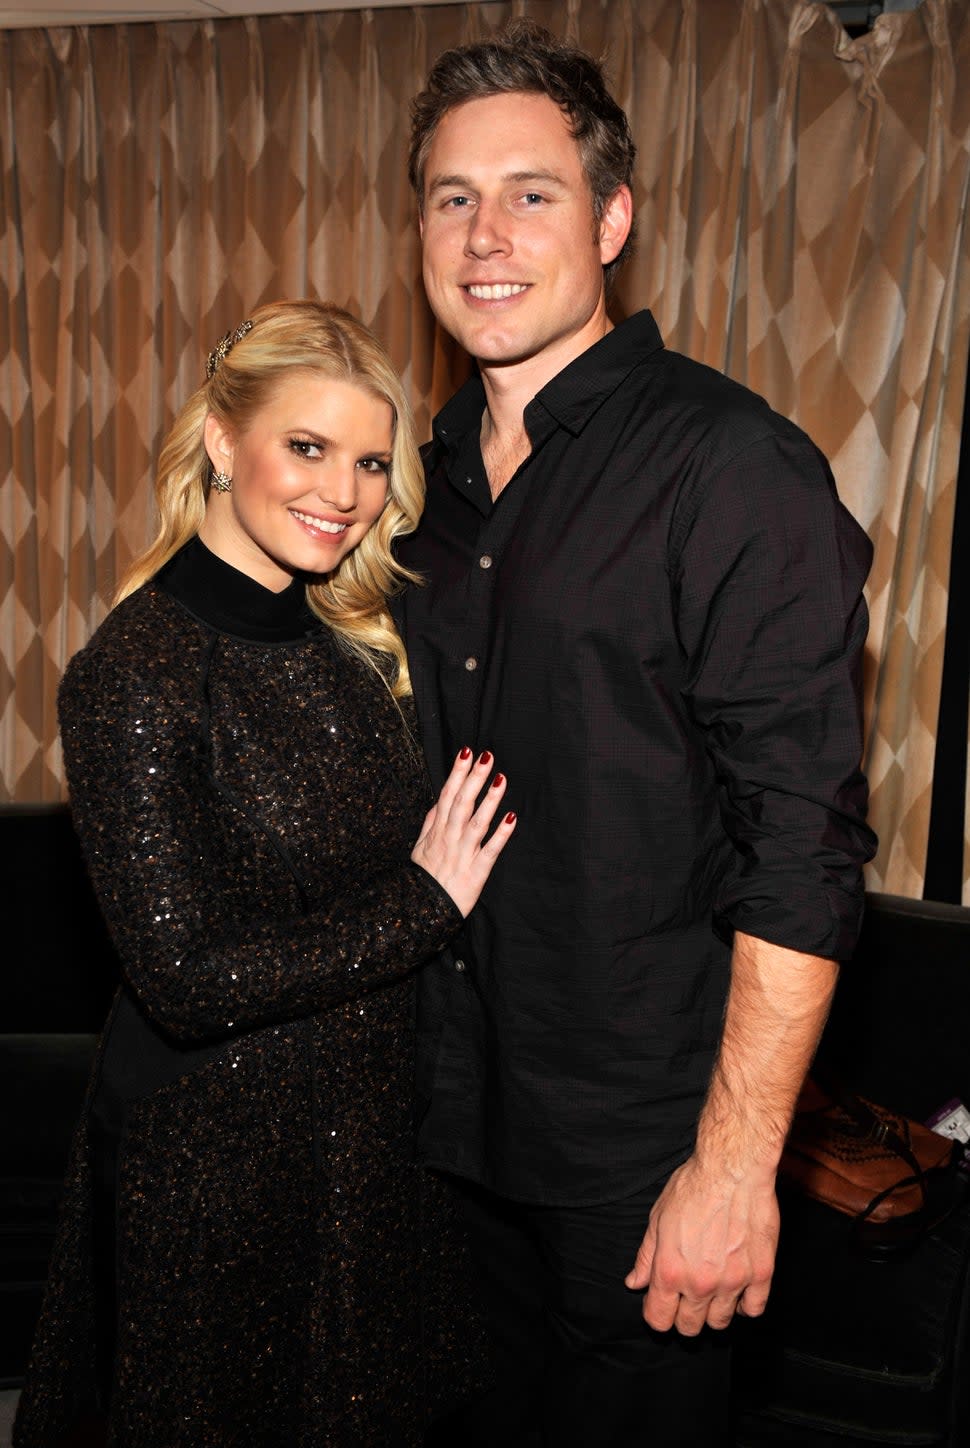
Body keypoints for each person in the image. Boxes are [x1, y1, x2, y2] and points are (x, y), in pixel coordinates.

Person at [398, 22, 878, 1447]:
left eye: (530, 192)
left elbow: (801, 848)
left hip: (639, 1161)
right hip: (442, 1133)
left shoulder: (729, 467)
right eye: (450, 196)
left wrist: (732, 1169)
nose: (485, 235)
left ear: (612, 219)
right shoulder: (413, 478)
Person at [13, 299, 516, 1448]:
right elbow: (185, 979)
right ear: (223, 443)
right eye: (307, 447)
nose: (343, 492)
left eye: (371, 461)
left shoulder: (351, 650)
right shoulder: (135, 671)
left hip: (364, 1146)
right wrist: (424, 905)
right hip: (215, 1168)